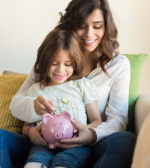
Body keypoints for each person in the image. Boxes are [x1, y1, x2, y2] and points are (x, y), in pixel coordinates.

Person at [10, 0, 136, 167]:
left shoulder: (118, 65)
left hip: (94, 144)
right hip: (43, 143)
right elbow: (17, 102)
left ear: (107, 27)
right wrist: (29, 128)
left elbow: (118, 120)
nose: (89, 34)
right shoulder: (50, 61)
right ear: (69, 25)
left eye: (97, 26)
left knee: (125, 139)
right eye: (81, 26)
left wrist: (91, 134)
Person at [22, 26, 102, 168]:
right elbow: (27, 125)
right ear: (44, 61)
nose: (60, 70)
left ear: (75, 63)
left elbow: (97, 120)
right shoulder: (35, 90)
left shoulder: (82, 85)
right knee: (36, 159)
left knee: (65, 162)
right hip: (44, 144)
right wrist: (30, 132)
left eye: (67, 64)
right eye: (54, 63)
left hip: (76, 144)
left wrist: (84, 131)